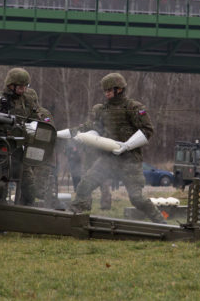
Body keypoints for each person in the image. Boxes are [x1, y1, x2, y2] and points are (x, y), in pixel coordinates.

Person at [58, 73, 166, 224]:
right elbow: (90, 128)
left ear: (119, 89)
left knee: (137, 199)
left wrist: (127, 146)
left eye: (109, 90)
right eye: (105, 91)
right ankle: (71, 219)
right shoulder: (102, 110)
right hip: (108, 160)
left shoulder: (133, 107)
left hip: (129, 161)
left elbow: (147, 130)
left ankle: (161, 222)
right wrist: (65, 134)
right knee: (84, 186)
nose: (107, 93)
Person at [0, 67, 44, 206]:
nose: (23, 90)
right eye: (20, 87)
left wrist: (41, 124)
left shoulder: (28, 100)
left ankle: (24, 215)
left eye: (25, 86)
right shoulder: (0, 101)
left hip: (21, 152)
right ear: (11, 85)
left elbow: (36, 119)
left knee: (30, 189)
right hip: (2, 152)